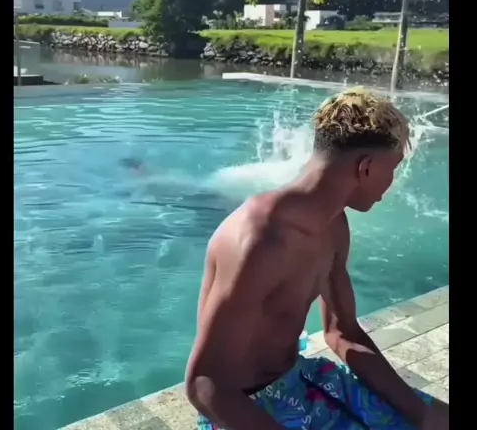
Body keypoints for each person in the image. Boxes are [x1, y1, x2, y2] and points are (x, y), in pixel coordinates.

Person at [185, 88, 449, 430]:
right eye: (394, 167)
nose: (392, 182)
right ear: (366, 167)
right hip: (242, 409)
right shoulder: (257, 242)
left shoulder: (334, 226)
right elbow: (205, 386)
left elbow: (343, 333)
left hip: (303, 380)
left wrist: (420, 413)